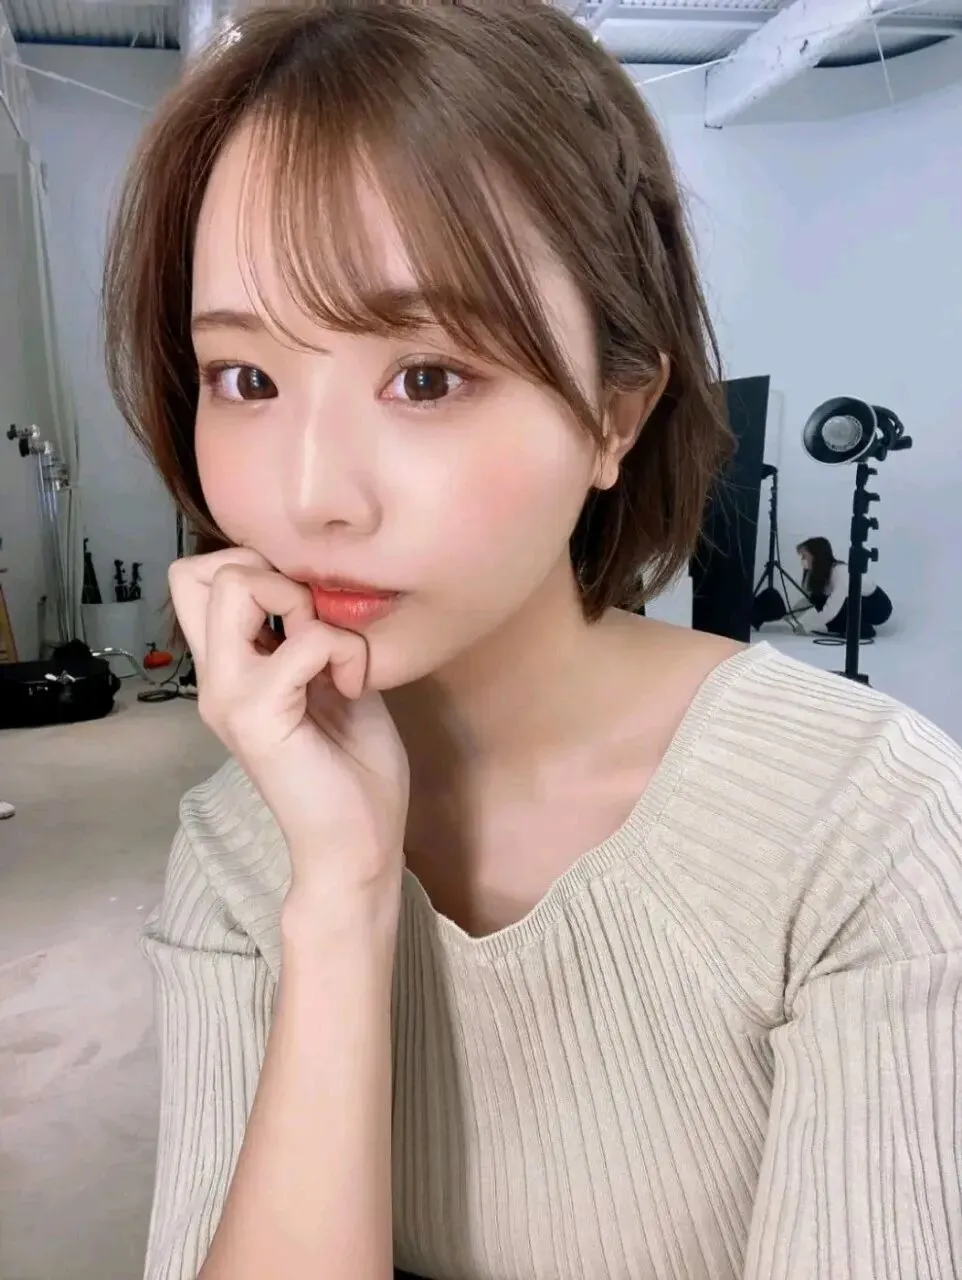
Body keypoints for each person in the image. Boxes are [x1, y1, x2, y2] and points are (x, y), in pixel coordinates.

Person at [101, 5, 962, 1279]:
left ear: (617, 411)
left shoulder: (863, 827)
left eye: (426, 376)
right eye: (248, 377)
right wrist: (340, 894)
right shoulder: (241, 846)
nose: (311, 493)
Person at [794, 535, 893, 639]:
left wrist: (806, 626)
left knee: (839, 606)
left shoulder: (841, 573)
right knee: (819, 598)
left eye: (804, 556)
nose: (802, 560)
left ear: (816, 556)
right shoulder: (824, 574)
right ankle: (849, 627)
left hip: (878, 607)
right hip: (861, 601)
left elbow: (831, 608)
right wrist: (789, 614)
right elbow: (811, 600)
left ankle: (863, 630)